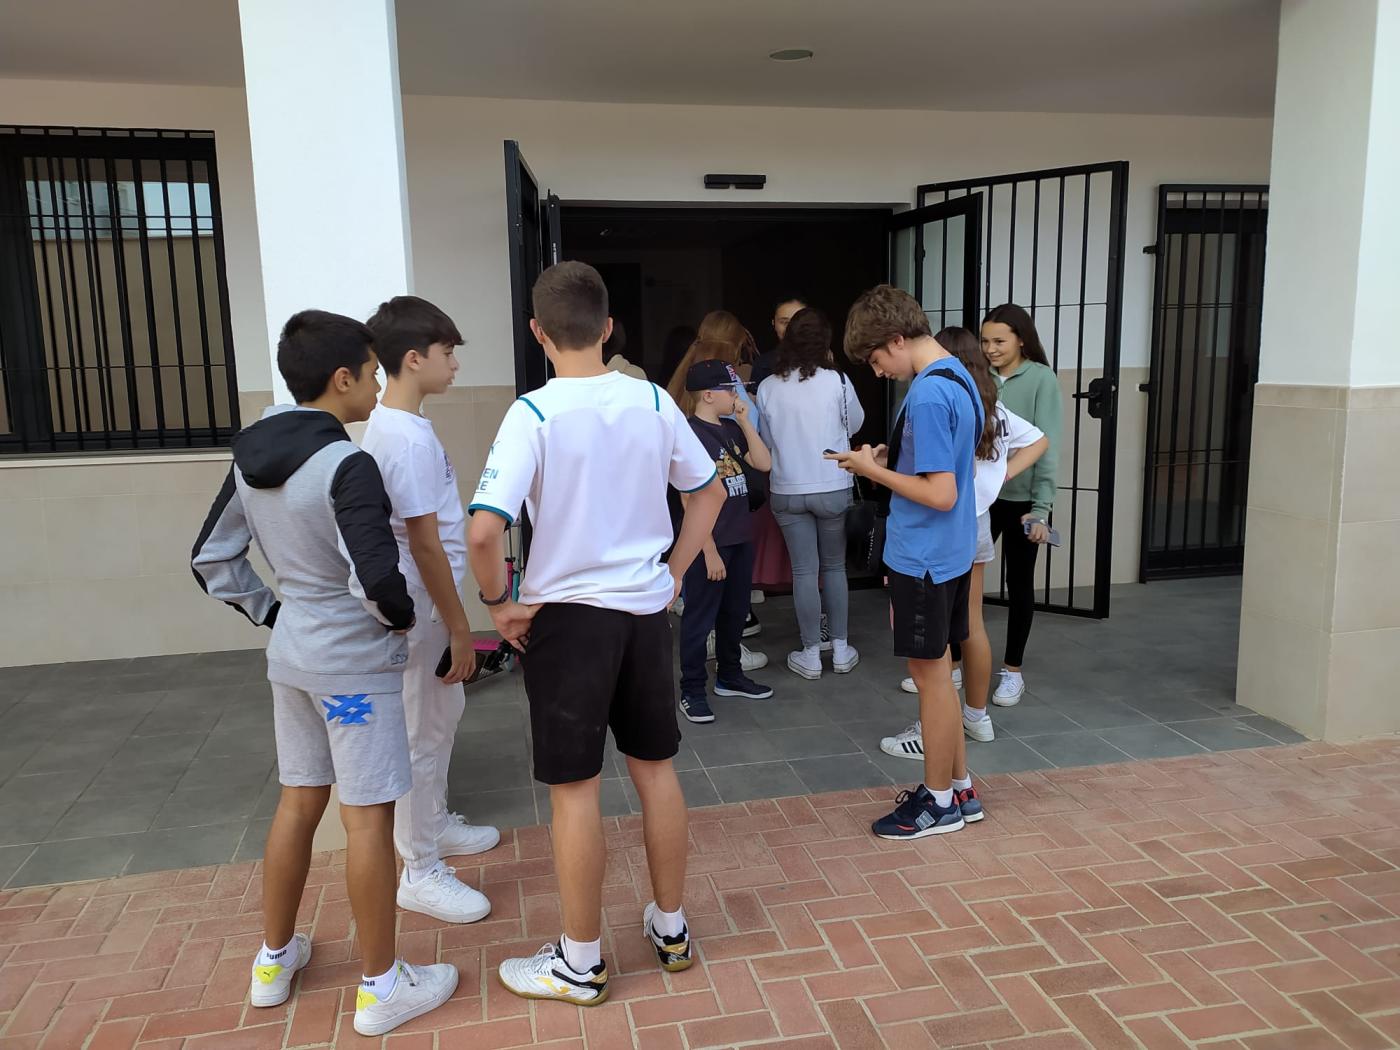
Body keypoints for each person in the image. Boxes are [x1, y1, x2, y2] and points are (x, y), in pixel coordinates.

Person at [191, 311, 457, 1036]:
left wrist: (277, 617)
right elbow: (379, 580)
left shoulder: (251, 459)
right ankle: (380, 988)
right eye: (372, 374)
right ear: (342, 379)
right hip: (354, 672)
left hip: (295, 664)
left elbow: (210, 559)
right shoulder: (348, 463)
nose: (377, 386)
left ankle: (273, 962)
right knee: (366, 819)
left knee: (298, 803)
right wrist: (402, 622)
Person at [468, 261, 726, 1005]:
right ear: (609, 327)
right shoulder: (650, 398)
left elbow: (485, 530)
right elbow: (706, 493)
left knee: (576, 791)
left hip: (568, 621)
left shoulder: (534, 414)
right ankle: (671, 928)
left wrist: (499, 605)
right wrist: (674, 572)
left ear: (538, 332)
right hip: (645, 614)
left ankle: (581, 962)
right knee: (656, 771)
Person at [361, 296, 499, 926]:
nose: (456, 366)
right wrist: (462, 626)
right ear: (413, 359)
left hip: (431, 600)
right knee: (422, 730)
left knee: (440, 718)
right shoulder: (401, 434)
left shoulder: (406, 426)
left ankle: (434, 826)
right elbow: (422, 541)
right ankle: (417, 869)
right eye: (448, 354)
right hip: (422, 606)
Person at [830, 285, 984, 840]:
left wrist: (871, 473)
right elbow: (936, 466)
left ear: (898, 339)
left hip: (923, 555)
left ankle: (938, 802)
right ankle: (960, 788)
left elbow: (939, 492)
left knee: (932, 681)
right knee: (941, 674)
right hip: (950, 553)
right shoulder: (958, 375)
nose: (879, 371)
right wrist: (885, 459)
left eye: (877, 359)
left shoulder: (924, 394)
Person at [883, 327, 1047, 756]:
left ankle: (939, 730)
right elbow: (1039, 440)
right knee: (969, 625)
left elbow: (938, 489)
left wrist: (875, 469)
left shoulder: (936, 395)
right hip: (971, 525)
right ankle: (976, 716)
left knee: (937, 655)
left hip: (942, 530)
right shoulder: (985, 401)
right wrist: (999, 478)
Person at [756, 307, 863, 680]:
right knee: (834, 566)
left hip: (787, 488)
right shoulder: (837, 380)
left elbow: (766, 442)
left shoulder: (768, 387)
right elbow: (857, 422)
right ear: (825, 342)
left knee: (804, 571)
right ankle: (842, 648)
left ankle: (810, 654)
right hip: (832, 485)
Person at [678, 359, 775, 724]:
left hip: (740, 536)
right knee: (700, 619)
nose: (736, 395)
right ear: (707, 394)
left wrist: (746, 421)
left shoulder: (733, 430)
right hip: (709, 544)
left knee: (735, 614)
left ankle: (730, 676)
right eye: (729, 389)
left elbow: (763, 463)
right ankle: (691, 689)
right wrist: (708, 549)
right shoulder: (689, 436)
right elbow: (688, 499)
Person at [981, 303, 1062, 705]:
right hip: (982, 498)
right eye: (985, 341)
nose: (991, 348)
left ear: (1021, 340)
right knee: (962, 580)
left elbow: (1047, 445)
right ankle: (956, 665)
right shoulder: (980, 376)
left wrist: (1042, 509)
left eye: (999, 340)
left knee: (1020, 586)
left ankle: (1012, 671)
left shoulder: (1042, 379)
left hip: (1022, 500)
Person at [750, 294, 808, 386]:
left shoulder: (824, 362)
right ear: (774, 323)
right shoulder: (763, 365)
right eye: (784, 322)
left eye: (797, 322)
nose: (790, 328)